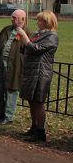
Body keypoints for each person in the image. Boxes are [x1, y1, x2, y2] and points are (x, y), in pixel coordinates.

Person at [17, 11, 59, 143]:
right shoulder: (37, 34)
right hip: (31, 71)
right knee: (31, 100)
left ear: (47, 22)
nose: (37, 22)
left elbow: (35, 49)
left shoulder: (52, 36)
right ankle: (34, 127)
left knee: (38, 102)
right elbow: (26, 49)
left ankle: (40, 132)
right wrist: (23, 41)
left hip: (41, 72)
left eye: (40, 20)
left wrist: (24, 36)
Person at [0, 9, 27, 125]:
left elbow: (29, 49)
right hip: (0, 66)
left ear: (22, 19)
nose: (12, 19)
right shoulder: (6, 30)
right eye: (12, 17)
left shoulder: (27, 32)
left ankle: (8, 117)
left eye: (15, 18)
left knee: (11, 92)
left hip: (15, 67)